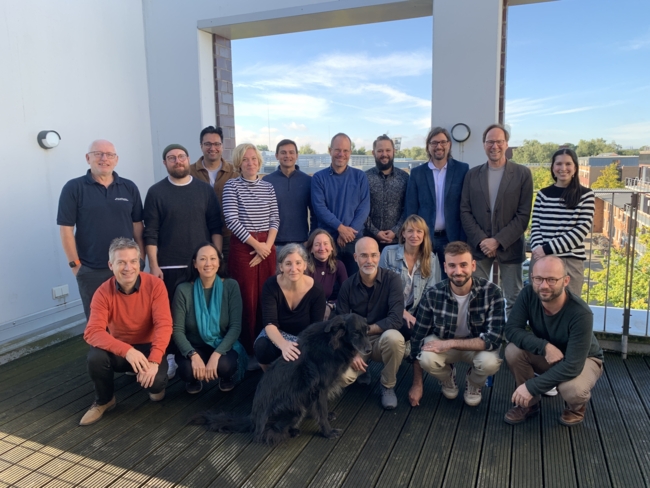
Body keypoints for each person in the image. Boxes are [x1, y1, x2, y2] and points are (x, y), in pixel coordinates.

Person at [80, 238, 172, 426]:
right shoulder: (102, 292)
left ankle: (148, 376)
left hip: (148, 349)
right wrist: (128, 351)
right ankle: (105, 400)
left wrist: (154, 360)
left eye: (133, 261)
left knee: (156, 392)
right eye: (121, 262)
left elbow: (164, 325)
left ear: (139, 262)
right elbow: (92, 331)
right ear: (110, 265)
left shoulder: (155, 285)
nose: (128, 267)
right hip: (121, 349)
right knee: (95, 357)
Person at [504, 256, 604, 426]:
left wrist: (531, 386)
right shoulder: (528, 294)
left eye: (551, 279)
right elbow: (512, 329)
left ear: (565, 281)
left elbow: (572, 365)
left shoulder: (581, 313)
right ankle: (529, 405)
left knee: (573, 390)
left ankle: (576, 407)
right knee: (513, 351)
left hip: (584, 359)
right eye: (538, 279)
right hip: (550, 354)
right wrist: (544, 347)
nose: (543, 285)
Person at [407, 241, 505, 408]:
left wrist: (450, 343)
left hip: (473, 345)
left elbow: (494, 339)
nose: (458, 271)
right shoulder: (433, 294)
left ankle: (474, 382)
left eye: (463, 265)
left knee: (490, 362)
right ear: (445, 267)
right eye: (452, 265)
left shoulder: (492, 292)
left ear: (473, 266)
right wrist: (417, 383)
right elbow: (417, 337)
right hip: (444, 343)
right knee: (426, 357)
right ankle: (447, 377)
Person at [57, 139, 145, 320]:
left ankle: (130, 350)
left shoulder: (129, 187)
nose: (104, 158)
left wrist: (141, 259)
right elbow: (66, 229)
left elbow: (138, 226)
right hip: (91, 270)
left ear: (116, 159)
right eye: (98, 154)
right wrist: (76, 266)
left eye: (109, 155)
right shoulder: (74, 188)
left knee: (130, 317)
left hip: (127, 267)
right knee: (98, 322)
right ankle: (100, 350)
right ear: (88, 158)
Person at [460, 123, 533, 317]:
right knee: (477, 295)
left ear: (506, 144)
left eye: (499, 141)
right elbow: (464, 211)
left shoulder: (522, 174)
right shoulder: (472, 174)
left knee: (514, 297)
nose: (495, 146)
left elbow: (523, 214)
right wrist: (482, 240)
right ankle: (482, 338)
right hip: (479, 246)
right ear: (484, 145)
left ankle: (512, 341)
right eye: (490, 142)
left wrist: (498, 241)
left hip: (511, 246)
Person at [144, 143, 223, 304]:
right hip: (168, 268)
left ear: (188, 159)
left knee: (200, 316)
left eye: (181, 157)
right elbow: (151, 233)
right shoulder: (155, 192)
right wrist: (153, 266)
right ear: (165, 163)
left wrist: (216, 261)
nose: (177, 161)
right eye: (171, 158)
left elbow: (216, 228)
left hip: (201, 266)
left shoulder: (205, 190)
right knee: (173, 318)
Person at [222, 143, 279, 355]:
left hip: (267, 244)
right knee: (246, 296)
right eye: (245, 159)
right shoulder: (231, 186)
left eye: (254, 158)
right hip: (243, 245)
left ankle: (266, 343)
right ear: (239, 162)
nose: (250, 163)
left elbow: (275, 218)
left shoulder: (268, 187)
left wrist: (267, 247)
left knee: (266, 294)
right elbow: (232, 220)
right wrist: (256, 246)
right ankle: (246, 347)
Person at [336, 237, 404, 410]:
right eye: (364, 255)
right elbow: (341, 326)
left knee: (395, 338)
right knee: (342, 378)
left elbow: (396, 319)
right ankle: (361, 371)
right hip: (357, 344)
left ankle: (388, 386)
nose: (369, 260)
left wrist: (363, 331)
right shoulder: (346, 286)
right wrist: (351, 352)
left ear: (379, 256)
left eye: (373, 255)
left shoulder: (393, 280)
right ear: (355, 258)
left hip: (382, 339)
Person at [172, 243, 247, 394]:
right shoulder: (183, 289)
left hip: (221, 345)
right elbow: (177, 330)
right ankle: (194, 379)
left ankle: (225, 377)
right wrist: (193, 355)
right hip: (195, 346)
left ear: (219, 263)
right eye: (203, 259)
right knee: (187, 370)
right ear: (195, 264)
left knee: (225, 366)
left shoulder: (231, 286)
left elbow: (235, 327)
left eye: (213, 258)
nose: (208, 264)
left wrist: (216, 355)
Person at [529, 149, 595, 297]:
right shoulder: (543, 194)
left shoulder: (586, 195)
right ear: (553, 167)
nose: (563, 168)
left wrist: (547, 249)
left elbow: (580, 231)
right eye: (558, 164)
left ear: (575, 168)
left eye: (568, 164)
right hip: (541, 259)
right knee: (539, 305)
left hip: (569, 261)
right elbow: (535, 226)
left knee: (569, 307)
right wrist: (539, 251)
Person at [405, 128, 469, 277]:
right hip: (425, 239)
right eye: (434, 143)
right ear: (428, 146)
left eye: (442, 142)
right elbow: (411, 209)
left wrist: (463, 239)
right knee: (424, 279)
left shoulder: (462, 170)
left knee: (452, 279)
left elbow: (466, 206)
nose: (438, 146)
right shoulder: (417, 173)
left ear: (449, 144)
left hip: (452, 237)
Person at [254, 244, 326, 370]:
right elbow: (270, 323)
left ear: (305, 265)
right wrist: (284, 345)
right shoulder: (271, 285)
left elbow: (315, 328)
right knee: (261, 347)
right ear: (281, 267)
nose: (294, 268)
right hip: (277, 335)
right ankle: (268, 377)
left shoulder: (317, 290)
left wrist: (298, 347)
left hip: (304, 338)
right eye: (288, 264)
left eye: (298, 263)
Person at [312, 133, 370, 276]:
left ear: (350, 152)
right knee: (329, 287)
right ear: (329, 150)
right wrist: (340, 228)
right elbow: (320, 208)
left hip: (354, 241)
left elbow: (364, 207)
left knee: (355, 284)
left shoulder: (360, 176)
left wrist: (347, 233)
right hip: (327, 243)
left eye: (345, 150)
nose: (341, 154)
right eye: (337, 150)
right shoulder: (319, 178)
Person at [379, 215, 440, 334]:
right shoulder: (388, 253)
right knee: (405, 328)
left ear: (424, 235)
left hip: (416, 310)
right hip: (390, 309)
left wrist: (421, 319)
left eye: (419, 231)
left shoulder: (431, 259)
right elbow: (382, 289)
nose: (414, 235)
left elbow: (430, 294)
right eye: (410, 231)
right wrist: (402, 312)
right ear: (403, 233)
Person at [190, 126, 238, 267]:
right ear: (201, 146)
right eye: (208, 144)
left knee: (227, 276)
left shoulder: (234, 174)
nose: (213, 148)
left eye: (217, 144)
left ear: (222, 146)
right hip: (199, 236)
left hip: (228, 236)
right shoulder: (189, 173)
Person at [264, 139, 315, 252]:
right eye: (283, 152)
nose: (288, 155)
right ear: (276, 156)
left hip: (301, 243)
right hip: (273, 244)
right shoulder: (267, 181)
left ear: (297, 155)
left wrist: (310, 238)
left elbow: (314, 213)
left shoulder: (308, 181)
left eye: (291, 152)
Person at [364, 135, 409, 251]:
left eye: (388, 150)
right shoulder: (364, 178)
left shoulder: (404, 177)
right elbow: (360, 208)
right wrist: (375, 232)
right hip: (370, 242)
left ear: (394, 151)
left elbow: (408, 208)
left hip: (398, 242)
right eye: (380, 151)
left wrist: (396, 231)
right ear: (373, 153)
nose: (384, 154)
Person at [306, 229, 348, 319]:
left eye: (326, 244)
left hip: (328, 309)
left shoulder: (339, 265)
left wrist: (331, 305)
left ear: (332, 247)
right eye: (317, 245)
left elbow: (347, 294)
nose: (322, 248)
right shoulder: (304, 267)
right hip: (306, 311)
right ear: (311, 249)